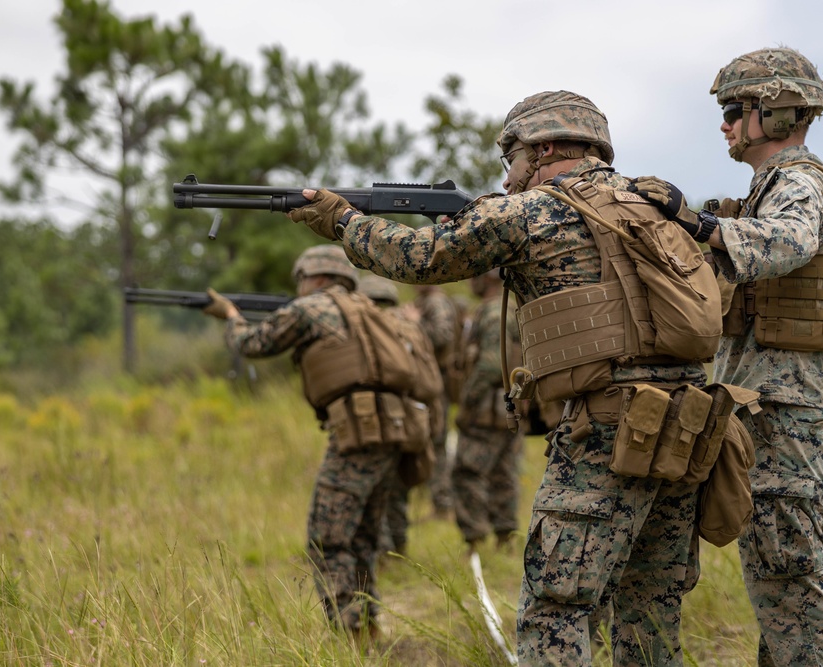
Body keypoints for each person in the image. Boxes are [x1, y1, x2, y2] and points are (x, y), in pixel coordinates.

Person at [288, 90, 718, 666]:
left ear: (540, 150)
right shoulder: (655, 207)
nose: (509, 176)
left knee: (556, 610)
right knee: (649, 610)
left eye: (510, 158)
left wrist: (342, 220)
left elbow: (421, 258)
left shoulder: (531, 210)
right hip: (686, 426)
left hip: (608, 431)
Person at [629, 47, 823, 665]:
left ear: (776, 114)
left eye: (735, 110)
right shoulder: (768, 189)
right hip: (762, 406)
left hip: (783, 410)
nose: (724, 124)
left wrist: (698, 224)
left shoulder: (801, 186)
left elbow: (784, 244)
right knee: (777, 577)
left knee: (789, 574)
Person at [201, 244, 406, 643]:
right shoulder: (366, 308)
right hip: (391, 428)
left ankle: (351, 633)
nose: (300, 287)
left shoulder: (311, 308)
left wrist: (229, 316)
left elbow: (254, 343)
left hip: (355, 431)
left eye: (303, 279)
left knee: (327, 538)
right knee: (362, 536)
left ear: (317, 277)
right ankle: (370, 626)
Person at [358, 274, 445, 558]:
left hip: (380, 416)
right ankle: (399, 545)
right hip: (414, 419)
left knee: (375, 486)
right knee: (398, 487)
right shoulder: (412, 327)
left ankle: (382, 552)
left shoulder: (368, 325)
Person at [451, 270, 524, 554]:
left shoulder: (495, 313)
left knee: (467, 471)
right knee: (503, 472)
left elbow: (493, 365)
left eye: (476, 274)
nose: (471, 279)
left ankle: (475, 540)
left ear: (490, 278)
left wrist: (467, 402)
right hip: (509, 406)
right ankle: (505, 537)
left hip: (487, 408)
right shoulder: (510, 309)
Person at [411, 284, 460, 520]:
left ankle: (442, 504)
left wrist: (413, 323)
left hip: (435, 380)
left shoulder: (435, 302)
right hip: (431, 379)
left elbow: (442, 335)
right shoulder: (429, 301)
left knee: (436, 442)